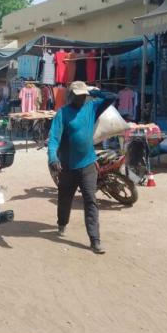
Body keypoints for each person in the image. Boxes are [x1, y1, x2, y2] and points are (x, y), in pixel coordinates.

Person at [47, 81, 116, 255]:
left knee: (91, 200)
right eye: (78, 95)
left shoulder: (92, 107)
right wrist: (53, 157)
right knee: (64, 199)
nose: (81, 98)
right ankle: (62, 223)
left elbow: (113, 97)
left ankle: (95, 240)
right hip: (68, 167)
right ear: (70, 95)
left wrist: (94, 91)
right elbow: (54, 139)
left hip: (88, 164)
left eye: (83, 95)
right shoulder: (62, 114)